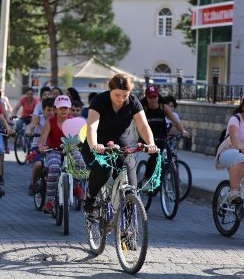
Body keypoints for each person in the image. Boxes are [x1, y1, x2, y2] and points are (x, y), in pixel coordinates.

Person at [80, 73, 158, 218]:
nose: (121, 99)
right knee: (105, 170)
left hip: (122, 148)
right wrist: (94, 145)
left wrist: (151, 143)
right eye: (117, 95)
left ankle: (126, 234)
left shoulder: (133, 102)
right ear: (110, 90)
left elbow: (143, 126)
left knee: (131, 189)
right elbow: (92, 127)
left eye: (125, 95)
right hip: (98, 146)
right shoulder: (99, 101)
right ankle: (90, 199)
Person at [37, 95, 86, 213]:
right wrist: (41, 146)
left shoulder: (73, 121)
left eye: (66, 108)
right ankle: (49, 201)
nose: (63, 110)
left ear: (69, 109)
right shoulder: (50, 121)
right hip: (53, 150)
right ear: (55, 109)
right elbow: (42, 139)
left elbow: (80, 139)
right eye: (60, 108)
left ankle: (75, 187)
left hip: (70, 149)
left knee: (81, 164)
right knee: (53, 168)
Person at [140, 85, 190, 185]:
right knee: (155, 155)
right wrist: (143, 139)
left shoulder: (163, 107)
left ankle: (165, 175)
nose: (153, 100)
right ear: (146, 98)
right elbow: (139, 126)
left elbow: (175, 121)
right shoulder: (143, 109)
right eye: (150, 97)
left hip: (161, 137)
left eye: (155, 97)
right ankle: (146, 178)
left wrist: (183, 131)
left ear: (158, 97)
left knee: (168, 155)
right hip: (147, 138)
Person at [25, 97, 55, 196]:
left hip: (52, 147)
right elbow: (31, 125)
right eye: (48, 110)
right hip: (38, 146)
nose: (51, 112)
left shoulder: (57, 119)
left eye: (53, 110)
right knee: (38, 164)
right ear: (43, 109)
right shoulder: (39, 118)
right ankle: (32, 184)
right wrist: (29, 131)